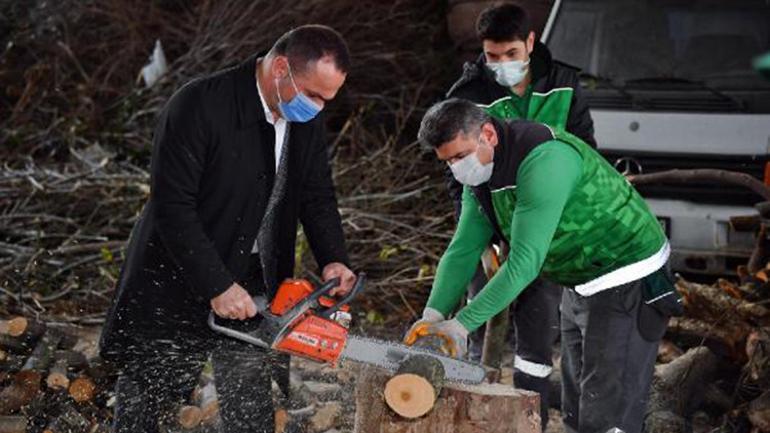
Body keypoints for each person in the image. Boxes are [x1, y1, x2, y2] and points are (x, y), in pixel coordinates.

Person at [99, 25, 356, 433]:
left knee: (249, 405)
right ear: (280, 69)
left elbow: (317, 194)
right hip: (177, 272)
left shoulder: (303, 121)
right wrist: (216, 284)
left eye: (327, 99)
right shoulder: (200, 105)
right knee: (146, 402)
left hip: (254, 277)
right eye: (313, 95)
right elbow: (172, 207)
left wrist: (333, 259)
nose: (319, 108)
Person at [407, 98, 682, 433]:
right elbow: (463, 249)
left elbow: (525, 262)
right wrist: (432, 316)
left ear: (488, 134)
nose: (457, 168)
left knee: (608, 415)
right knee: (576, 407)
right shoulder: (480, 179)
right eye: (447, 161)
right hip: (582, 279)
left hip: (628, 275)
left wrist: (462, 325)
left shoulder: (544, 159)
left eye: (461, 156)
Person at [443, 4, 596, 427]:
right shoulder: (470, 91)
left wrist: (557, 223)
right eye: (492, 56)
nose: (500, 65)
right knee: (477, 316)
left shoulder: (564, 83)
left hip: (547, 225)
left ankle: (533, 418)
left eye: (510, 54)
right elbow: (458, 173)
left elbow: (585, 153)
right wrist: (481, 236)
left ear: (530, 43)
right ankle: (471, 406)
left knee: (538, 326)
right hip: (489, 218)